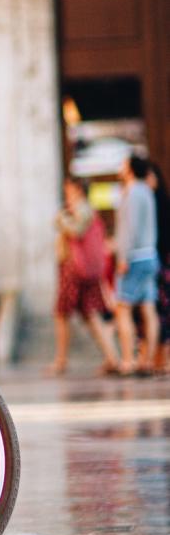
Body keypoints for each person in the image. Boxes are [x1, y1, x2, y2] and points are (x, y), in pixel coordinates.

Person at [48, 177, 119, 376]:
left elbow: (76, 231)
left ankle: (61, 360)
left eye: (68, 188)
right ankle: (111, 357)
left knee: (61, 313)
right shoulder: (85, 209)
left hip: (75, 270)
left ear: (77, 189)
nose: (66, 192)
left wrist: (61, 218)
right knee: (90, 314)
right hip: (82, 270)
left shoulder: (82, 208)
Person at [113, 155, 160, 375]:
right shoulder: (147, 191)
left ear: (131, 169)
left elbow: (128, 229)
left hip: (134, 258)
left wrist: (123, 257)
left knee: (123, 308)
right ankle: (148, 360)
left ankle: (128, 360)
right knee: (148, 308)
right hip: (150, 254)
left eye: (124, 163)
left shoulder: (131, 192)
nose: (120, 167)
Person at [148, 163, 170, 374]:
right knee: (158, 311)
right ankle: (158, 358)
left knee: (163, 311)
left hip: (163, 263)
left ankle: (163, 358)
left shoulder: (160, 203)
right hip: (157, 262)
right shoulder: (150, 201)